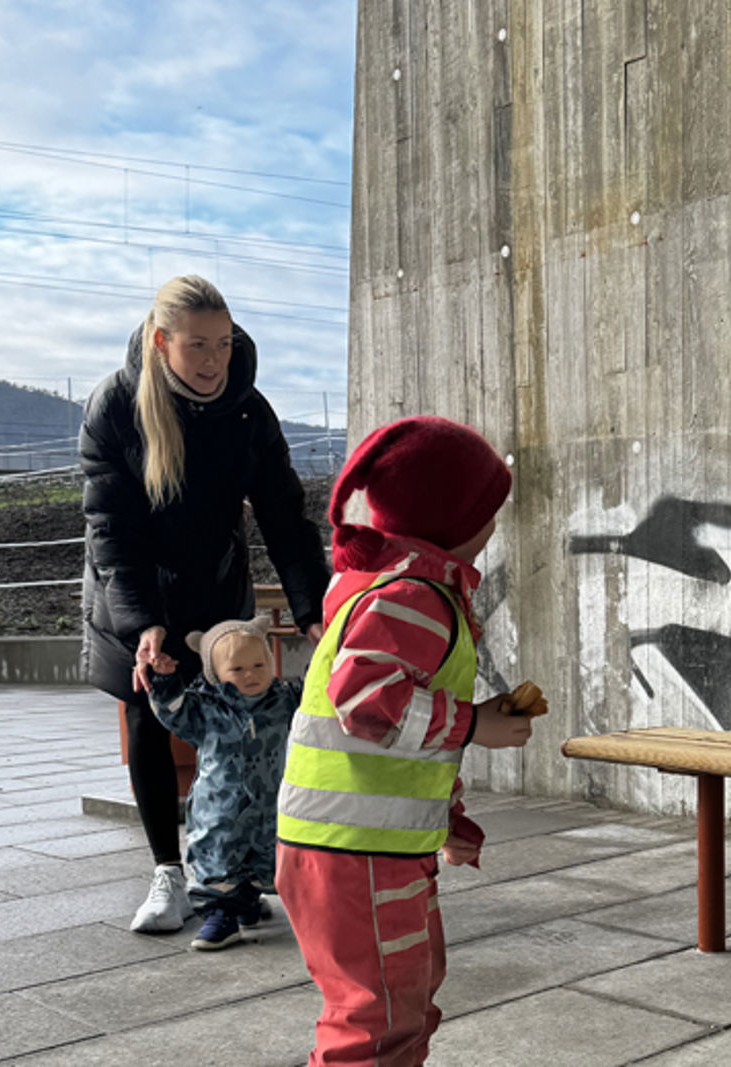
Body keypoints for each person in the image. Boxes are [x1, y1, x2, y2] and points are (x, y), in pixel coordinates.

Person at [276, 415, 539, 1067]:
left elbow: (394, 742)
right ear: (453, 518)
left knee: (404, 999)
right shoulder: (415, 597)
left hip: (364, 846)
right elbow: (364, 698)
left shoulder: (389, 586)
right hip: (357, 853)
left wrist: (445, 816)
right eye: (488, 508)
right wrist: (475, 723)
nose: (495, 523)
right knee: (377, 1018)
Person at [79, 275, 330, 934]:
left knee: (234, 718)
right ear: (161, 342)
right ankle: (168, 871)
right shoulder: (115, 407)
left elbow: (285, 518)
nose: (213, 360)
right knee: (148, 712)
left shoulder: (248, 410)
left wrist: (313, 608)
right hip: (131, 585)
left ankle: (232, 867)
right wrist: (142, 623)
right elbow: (112, 529)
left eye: (223, 343)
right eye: (197, 345)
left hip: (215, 586)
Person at [144, 617, 298, 950]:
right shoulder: (205, 709)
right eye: (237, 669)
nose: (250, 674)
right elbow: (171, 710)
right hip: (218, 806)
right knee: (218, 854)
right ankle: (220, 912)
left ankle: (247, 899)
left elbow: (313, 693)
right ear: (215, 673)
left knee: (268, 853)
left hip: (269, 803)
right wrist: (165, 681)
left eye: (259, 665)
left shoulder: (282, 701)